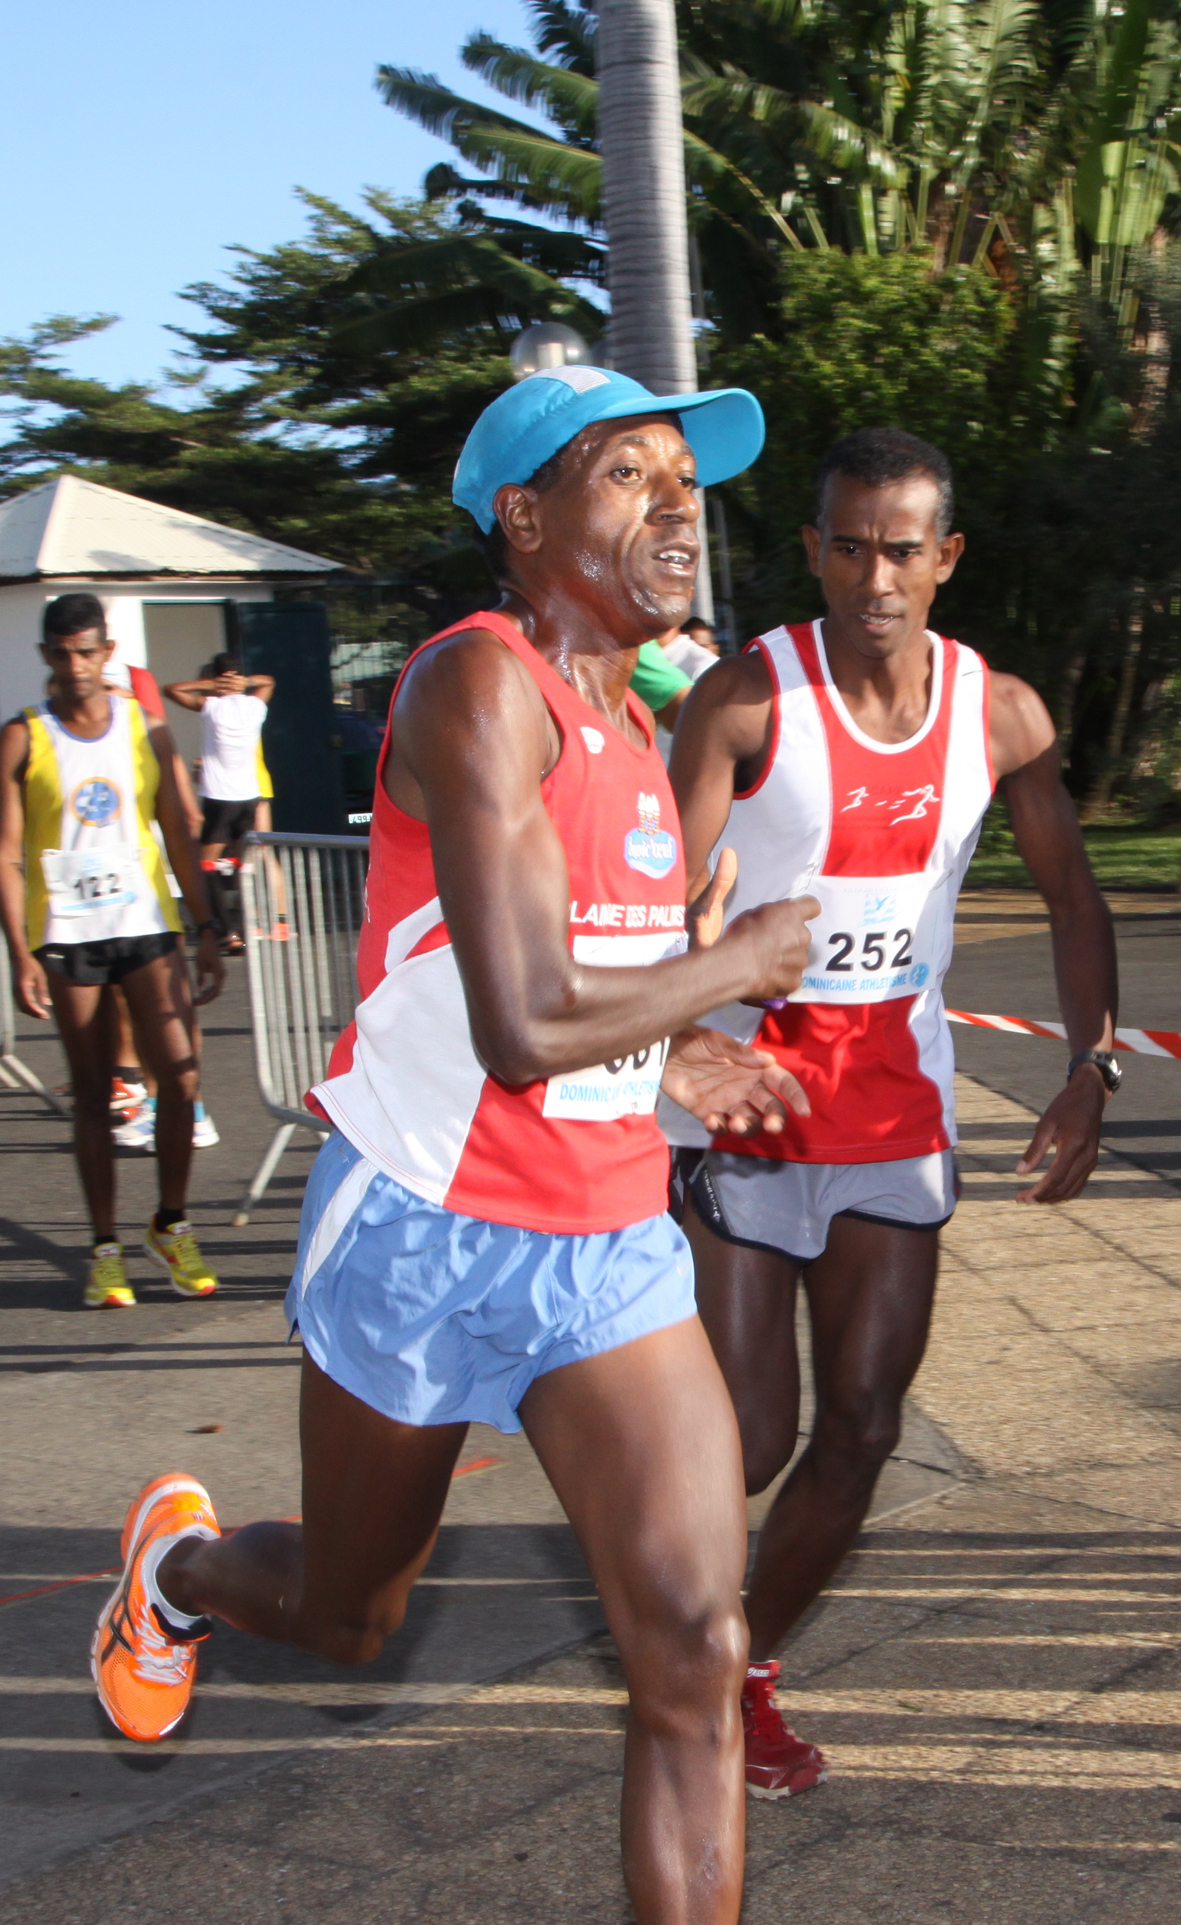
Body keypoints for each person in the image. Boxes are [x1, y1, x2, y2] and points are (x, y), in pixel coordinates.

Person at [92, 365, 822, 1925]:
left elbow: (595, 998)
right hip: (424, 1224)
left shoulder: (638, 732)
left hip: (609, 1245)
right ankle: (183, 1575)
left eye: (681, 481)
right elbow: (524, 1023)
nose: (674, 504)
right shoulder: (476, 684)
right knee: (348, 1616)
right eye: (629, 474)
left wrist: (684, 1045)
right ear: (526, 513)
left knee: (691, 1645)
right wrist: (739, 966)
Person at [663, 426, 1119, 1800]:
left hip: (894, 1114)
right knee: (744, 1439)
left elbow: (1072, 896)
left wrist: (1087, 1072)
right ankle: (650, 1560)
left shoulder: (999, 713)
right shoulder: (744, 700)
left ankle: (732, 1678)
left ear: (945, 558)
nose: (875, 574)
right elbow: (653, 906)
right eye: (849, 545)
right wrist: (685, 1029)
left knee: (861, 1428)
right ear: (814, 550)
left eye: (903, 549)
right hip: (746, 1109)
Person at [0, 593, 226, 1308]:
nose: (75, 666)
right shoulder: (22, 736)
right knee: (94, 1092)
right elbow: (6, 854)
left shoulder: (147, 729)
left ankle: (171, 1221)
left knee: (181, 1081)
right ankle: (104, 1245)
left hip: (145, 925)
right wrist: (21, 953)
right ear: (46, 656)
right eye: (62, 654)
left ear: (107, 653)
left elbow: (180, 837)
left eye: (87, 652)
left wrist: (208, 925)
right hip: (68, 932)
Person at [163, 655, 275, 956]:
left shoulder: (212, 706)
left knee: (206, 866)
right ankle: (248, 926)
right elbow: (269, 682)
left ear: (217, 678)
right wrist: (246, 683)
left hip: (219, 797)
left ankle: (225, 933)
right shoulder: (256, 706)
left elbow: (171, 690)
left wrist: (209, 686)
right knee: (242, 864)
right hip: (249, 796)